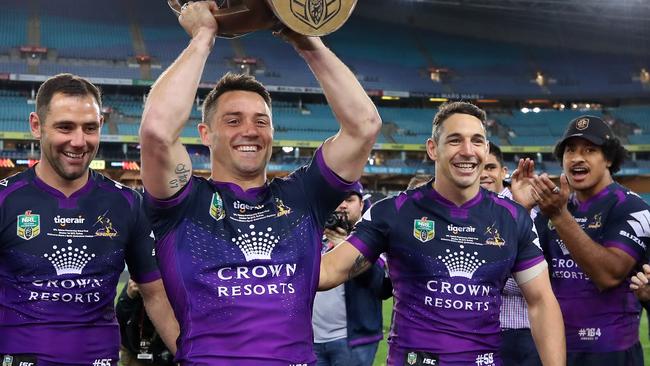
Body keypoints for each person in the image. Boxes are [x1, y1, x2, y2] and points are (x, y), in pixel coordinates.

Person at [138, 1, 381, 364]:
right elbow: (157, 131)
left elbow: (364, 127)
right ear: (205, 133)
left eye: (260, 121)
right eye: (233, 120)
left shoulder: (303, 196)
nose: (249, 130)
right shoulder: (182, 203)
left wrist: (307, 40)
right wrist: (203, 37)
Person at [319, 101, 565, 365]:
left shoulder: (512, 218)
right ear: (433, 148)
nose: (468, 151)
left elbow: (541, 302)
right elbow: (329, 271)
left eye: (477, 141)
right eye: (455, 140)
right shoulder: (393, 211)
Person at [0, 73, 177, 365]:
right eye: (65, 127)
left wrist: (190, 356)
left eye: (90, 128)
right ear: (36, 126)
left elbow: (156, 295)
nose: (79, 141)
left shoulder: (128, 203)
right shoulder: (5, 200)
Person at [529, 115, 650, 366]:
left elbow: (608, 275)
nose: (577, 158)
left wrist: (560, 218)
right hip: (556, 351)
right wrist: (519, 207)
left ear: (608, 158)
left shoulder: (631, 207)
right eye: (570, 150)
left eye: (590, 150)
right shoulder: (552, 209)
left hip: (611, 352)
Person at [312, 183, 391, 366]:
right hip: (313, 339)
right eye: (337, 199)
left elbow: (381, 286)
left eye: (349, 199)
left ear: (362, 204)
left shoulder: (375, 239)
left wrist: (346, 248)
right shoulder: (316, 237)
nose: (343, 205)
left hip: (353, 341)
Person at [480, 142, 542, 366]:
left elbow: (530, 282)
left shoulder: (525, 210)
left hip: (521, 331)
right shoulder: (468, 212)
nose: (484, 174)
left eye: (491, 167)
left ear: (503, 172)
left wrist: (485, 277)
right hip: (479, 331)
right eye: (480, 167)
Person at [116, 280, 175, 366]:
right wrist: (128, 296)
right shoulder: (137, 280)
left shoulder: (177, 282)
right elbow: (119, 319)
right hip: (135, 350)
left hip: (167, 352)